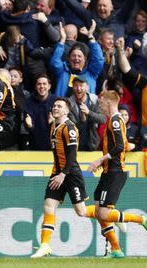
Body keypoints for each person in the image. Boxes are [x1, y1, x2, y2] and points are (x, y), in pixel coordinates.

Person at [87, 90, 147, 258]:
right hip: (108, 171)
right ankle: (116, 249)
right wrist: (103, 163)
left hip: (116, 172)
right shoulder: (113, 120)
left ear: (109, 102)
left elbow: (119, 147)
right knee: (98, 211)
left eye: (101, 103)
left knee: (103, 213)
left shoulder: (116, 121)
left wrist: (99, 160)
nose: (100, 106)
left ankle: (143, 220)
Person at [30, 97, 89, 258]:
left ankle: (109, 215)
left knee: (81, 211)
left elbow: (72, 155)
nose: (55, 108)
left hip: (70, 174)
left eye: (59, 106)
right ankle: (45, 246)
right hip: (57, 173)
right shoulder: (54, 126)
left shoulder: (69, 128)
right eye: (54, 106)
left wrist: (63, 174)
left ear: (67, 110)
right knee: (48, 206)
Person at [49, 20, 104, 97]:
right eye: (73, 55)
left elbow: (99, 60)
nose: (76, 58)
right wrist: (62, 41)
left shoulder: (91, 72)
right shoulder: (62, 71)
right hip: (63, 107)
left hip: (86, 108)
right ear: (68, 58)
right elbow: (55, 63)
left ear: (85, 59)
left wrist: (91, 37)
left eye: (79, 56)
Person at [67, 76, 106, 151]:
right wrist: (82, 121)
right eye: (75, 85)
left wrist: (89, 113)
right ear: (72, 88)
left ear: (87, 87)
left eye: (81, 85)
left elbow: (103, 119)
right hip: (74, 146)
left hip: (92, 145)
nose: (78, 88)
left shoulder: (95, 100)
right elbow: (71, 126)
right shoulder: (68, 103)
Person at [24, 74, 56, 150]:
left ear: (49, 86)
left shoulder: (56, 101)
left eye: (44, 84)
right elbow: (29, 126)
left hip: (53, 145)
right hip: (35, 145)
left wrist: (53, 123)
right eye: (39, 84)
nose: (42, 86)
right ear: (35, 87)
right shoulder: (29, 102)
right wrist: (29, 126)